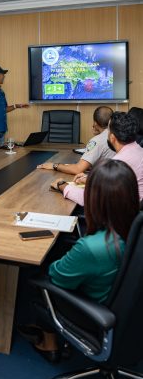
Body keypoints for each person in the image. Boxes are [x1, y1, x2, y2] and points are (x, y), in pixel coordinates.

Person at [19, 159, 140, 362]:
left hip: (94, 311)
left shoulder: (93, 247)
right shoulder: (135, 226)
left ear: (94, 199)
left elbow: (56, 276)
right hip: (127, 307)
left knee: (35, 275)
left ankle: (49, 344)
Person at [51, 111, 143, 205]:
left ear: (112, 137)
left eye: (108, 129)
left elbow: (91, 199)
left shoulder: (118, 164)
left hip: (121, 214)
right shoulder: (139, 150)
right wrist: (92, 179)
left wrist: (62, 185)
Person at [37, 106, 114, 175]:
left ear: (95, 123)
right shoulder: (116, 134)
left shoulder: (97, 140)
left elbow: (77, 169)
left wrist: (54, 165)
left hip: (106, 181)